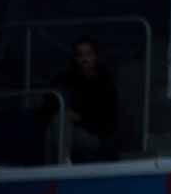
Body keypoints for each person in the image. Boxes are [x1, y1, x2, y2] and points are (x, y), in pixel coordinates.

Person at [40, 36, 118, 165]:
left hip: (91, 135)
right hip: (62, 127)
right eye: (80, 54)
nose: (84, 59)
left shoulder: (105, 85)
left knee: (54, 129)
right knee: (57, 123)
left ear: (95, 56)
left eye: (88, 54)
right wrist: (65, 113)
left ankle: (55, 169)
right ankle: (63, 162)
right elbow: (46, 109)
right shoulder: (64, 80)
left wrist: (78, 118)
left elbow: (106, 119)